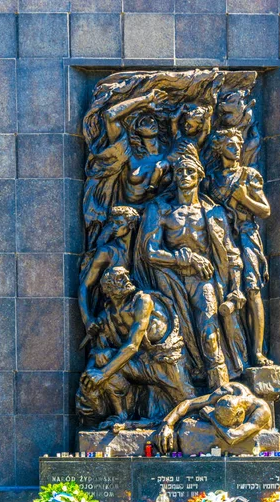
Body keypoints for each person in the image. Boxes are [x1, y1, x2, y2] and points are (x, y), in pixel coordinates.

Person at [133, 146, 249, 391]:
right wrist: (184, 259)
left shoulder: (214, 212)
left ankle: (221, 392)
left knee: (209, 334)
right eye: (180, 171)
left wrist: (236, 290)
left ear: (199, 176)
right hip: (168, 281)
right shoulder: (159, 209)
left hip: (203, 280)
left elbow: (231, 254)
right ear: (174, 177)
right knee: (177, 339)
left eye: (189, 171)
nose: (184, 175)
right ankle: (183, 394)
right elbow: (149, 252)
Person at [77, 267, 195, 429]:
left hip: (164, 363)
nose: (127, 279)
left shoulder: (142, 300)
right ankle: (121, 416)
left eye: (126, 275)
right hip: (139, 364)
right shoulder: (107, 315)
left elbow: (133, 345)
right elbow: (96, 353)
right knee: (102, 357)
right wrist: (89, 378)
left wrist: (102, 374)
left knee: (188, 403)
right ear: (108, 288)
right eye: (119, 278)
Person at [204, 128, 273, 367]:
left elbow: (264, 211)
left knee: (252, 290)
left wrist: (243, 198)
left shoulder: (248, 175)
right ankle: (229, 353)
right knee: (222, 292)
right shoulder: (211, 179)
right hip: (220, 238)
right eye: (230, 145)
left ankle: (257, 352)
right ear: (220, 148)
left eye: (238, 145)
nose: (236, 149)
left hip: (245, 235)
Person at [83, 89, 170, 248]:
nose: (149, 122)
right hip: (123, 219)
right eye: (143, 121)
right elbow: (110, 115)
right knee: (100, 249)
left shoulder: (170, 155)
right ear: (135, 130)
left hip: (157, 221)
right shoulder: (129, 154)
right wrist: (146, 99)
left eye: (152, 119)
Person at [156, 381, 272, 454]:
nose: (234, 426)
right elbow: (189, 403)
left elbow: (233, 436)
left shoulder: (261, 411)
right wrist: (168, 423)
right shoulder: (226, 391)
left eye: (231, 424)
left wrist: (211, 417)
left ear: (239, 413)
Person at [78, 206, 140, 339]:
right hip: (114, 317)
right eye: (112, 223)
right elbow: (85, 286)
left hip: (139, 310)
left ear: (131, 224)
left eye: (119, 223)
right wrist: (87, 319)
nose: (114, 227)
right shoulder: (107, 252)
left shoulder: (142, 249)